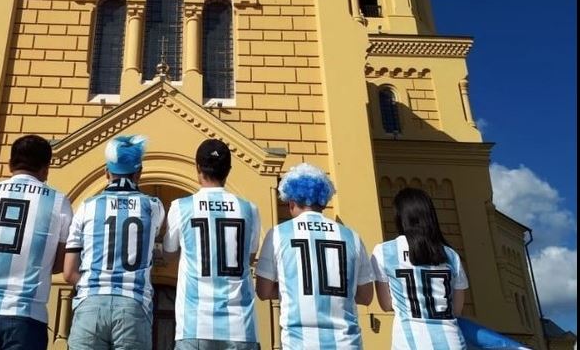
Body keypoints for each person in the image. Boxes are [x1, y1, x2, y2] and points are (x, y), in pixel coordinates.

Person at [0, 134, 73, 350]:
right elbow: (59, 263)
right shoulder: (59, 201)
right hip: (27, 314)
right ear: (46, 168)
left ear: (10, 164)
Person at [255, 163, 374, 350]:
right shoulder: (352, 236)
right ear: (324, 201)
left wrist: (291, 288)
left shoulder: (278, 234)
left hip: (298, 341)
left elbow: (262, 291)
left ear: (291, 203)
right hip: (346, 342)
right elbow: (366, 296)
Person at [64, 135, 165, 350]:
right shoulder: (154, 206)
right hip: (134, 305)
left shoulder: (86, 206)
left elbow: (69, 272)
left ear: (106, 172)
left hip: (90, 303)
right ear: (139, 172)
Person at [163, 139, 262, 349]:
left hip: (194, 323)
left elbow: (169, 252)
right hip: (240, 324)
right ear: (229, 170)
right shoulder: (249, 209)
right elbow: (250, 256)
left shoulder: (181, 207)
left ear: (198, 167)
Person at [371, 188, 469, 350]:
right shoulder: (450, 255)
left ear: (400, 217)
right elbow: (457, 309)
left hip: (408, 342)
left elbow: (386, 305)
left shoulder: (384, 252)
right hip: (451, 341)